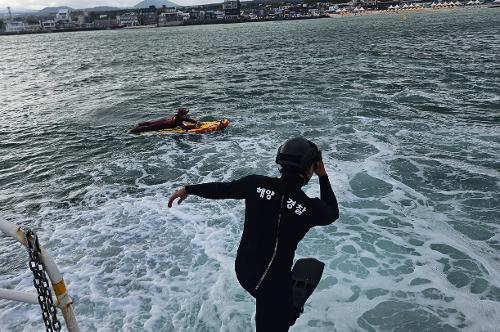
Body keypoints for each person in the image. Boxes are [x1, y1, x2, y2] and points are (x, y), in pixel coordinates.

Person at [168, 137, 339, 331]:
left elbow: (222, 189)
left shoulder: (255, 184)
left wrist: (188, 189)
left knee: (269, 302)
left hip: (245, 271)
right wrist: (323, 175)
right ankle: (286, 313)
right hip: (273, 284)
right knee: (280, 316)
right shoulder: (309, 208)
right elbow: (332, 212)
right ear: (310, 166)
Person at [129, 108, 201, 134]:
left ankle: (139, 124)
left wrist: (196, 122)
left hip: (163, 121)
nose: (186, 114)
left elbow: (188, 119)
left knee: (150, 123)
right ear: (181, 115)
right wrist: (194, 126)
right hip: (162, 125)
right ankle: (131, 131)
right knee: (148, 128)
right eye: (185, 113)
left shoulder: (180, 116)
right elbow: (184, 128)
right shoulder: (177, 120)